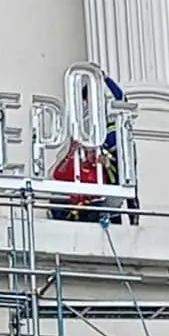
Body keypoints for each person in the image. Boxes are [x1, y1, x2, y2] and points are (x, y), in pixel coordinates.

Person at [49, 75, 139, 225]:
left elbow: (121, 97)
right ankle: (114, 218)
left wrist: (106, 79)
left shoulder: (111, 111)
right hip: (105, 156)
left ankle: (133, 218)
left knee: (128, 185)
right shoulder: (88, 121)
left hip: (121, 151)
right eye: (86, 100)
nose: (88, 103)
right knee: (110, 189)